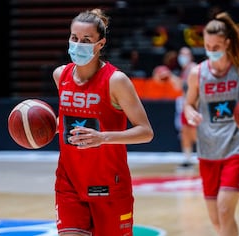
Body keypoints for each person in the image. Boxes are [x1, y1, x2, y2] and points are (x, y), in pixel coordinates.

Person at [52, 8, 154, 236]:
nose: (78, 45)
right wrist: (47, 127)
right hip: (69, 181)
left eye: (86, 40)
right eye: (74, 38)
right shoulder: (61, 75)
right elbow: (67, 118)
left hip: (109, 184)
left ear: (100, 44)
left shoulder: (116, 81)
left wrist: (103, 137)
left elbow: (146, 132)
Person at [183, 12, 239, 236]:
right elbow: (188, 104)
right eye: (207, 45)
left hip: (238, 146)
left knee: (224, 210)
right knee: (216, 218)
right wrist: (190, 112)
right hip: (208, 149)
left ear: (227, 42)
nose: (211, 50)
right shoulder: (197, 73)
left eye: (216, 45)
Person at [175, 46, 197, 168]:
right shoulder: (185, 70)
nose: (182, 56)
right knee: (185, 132)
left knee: (194, 132)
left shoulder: (192, 68)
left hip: (193, 104)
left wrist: (170, 77)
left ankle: (211, 156)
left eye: (185, 54)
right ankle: (187, 159)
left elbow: (185, 87)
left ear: (191, 56)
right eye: (181, 53)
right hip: (186, 103)